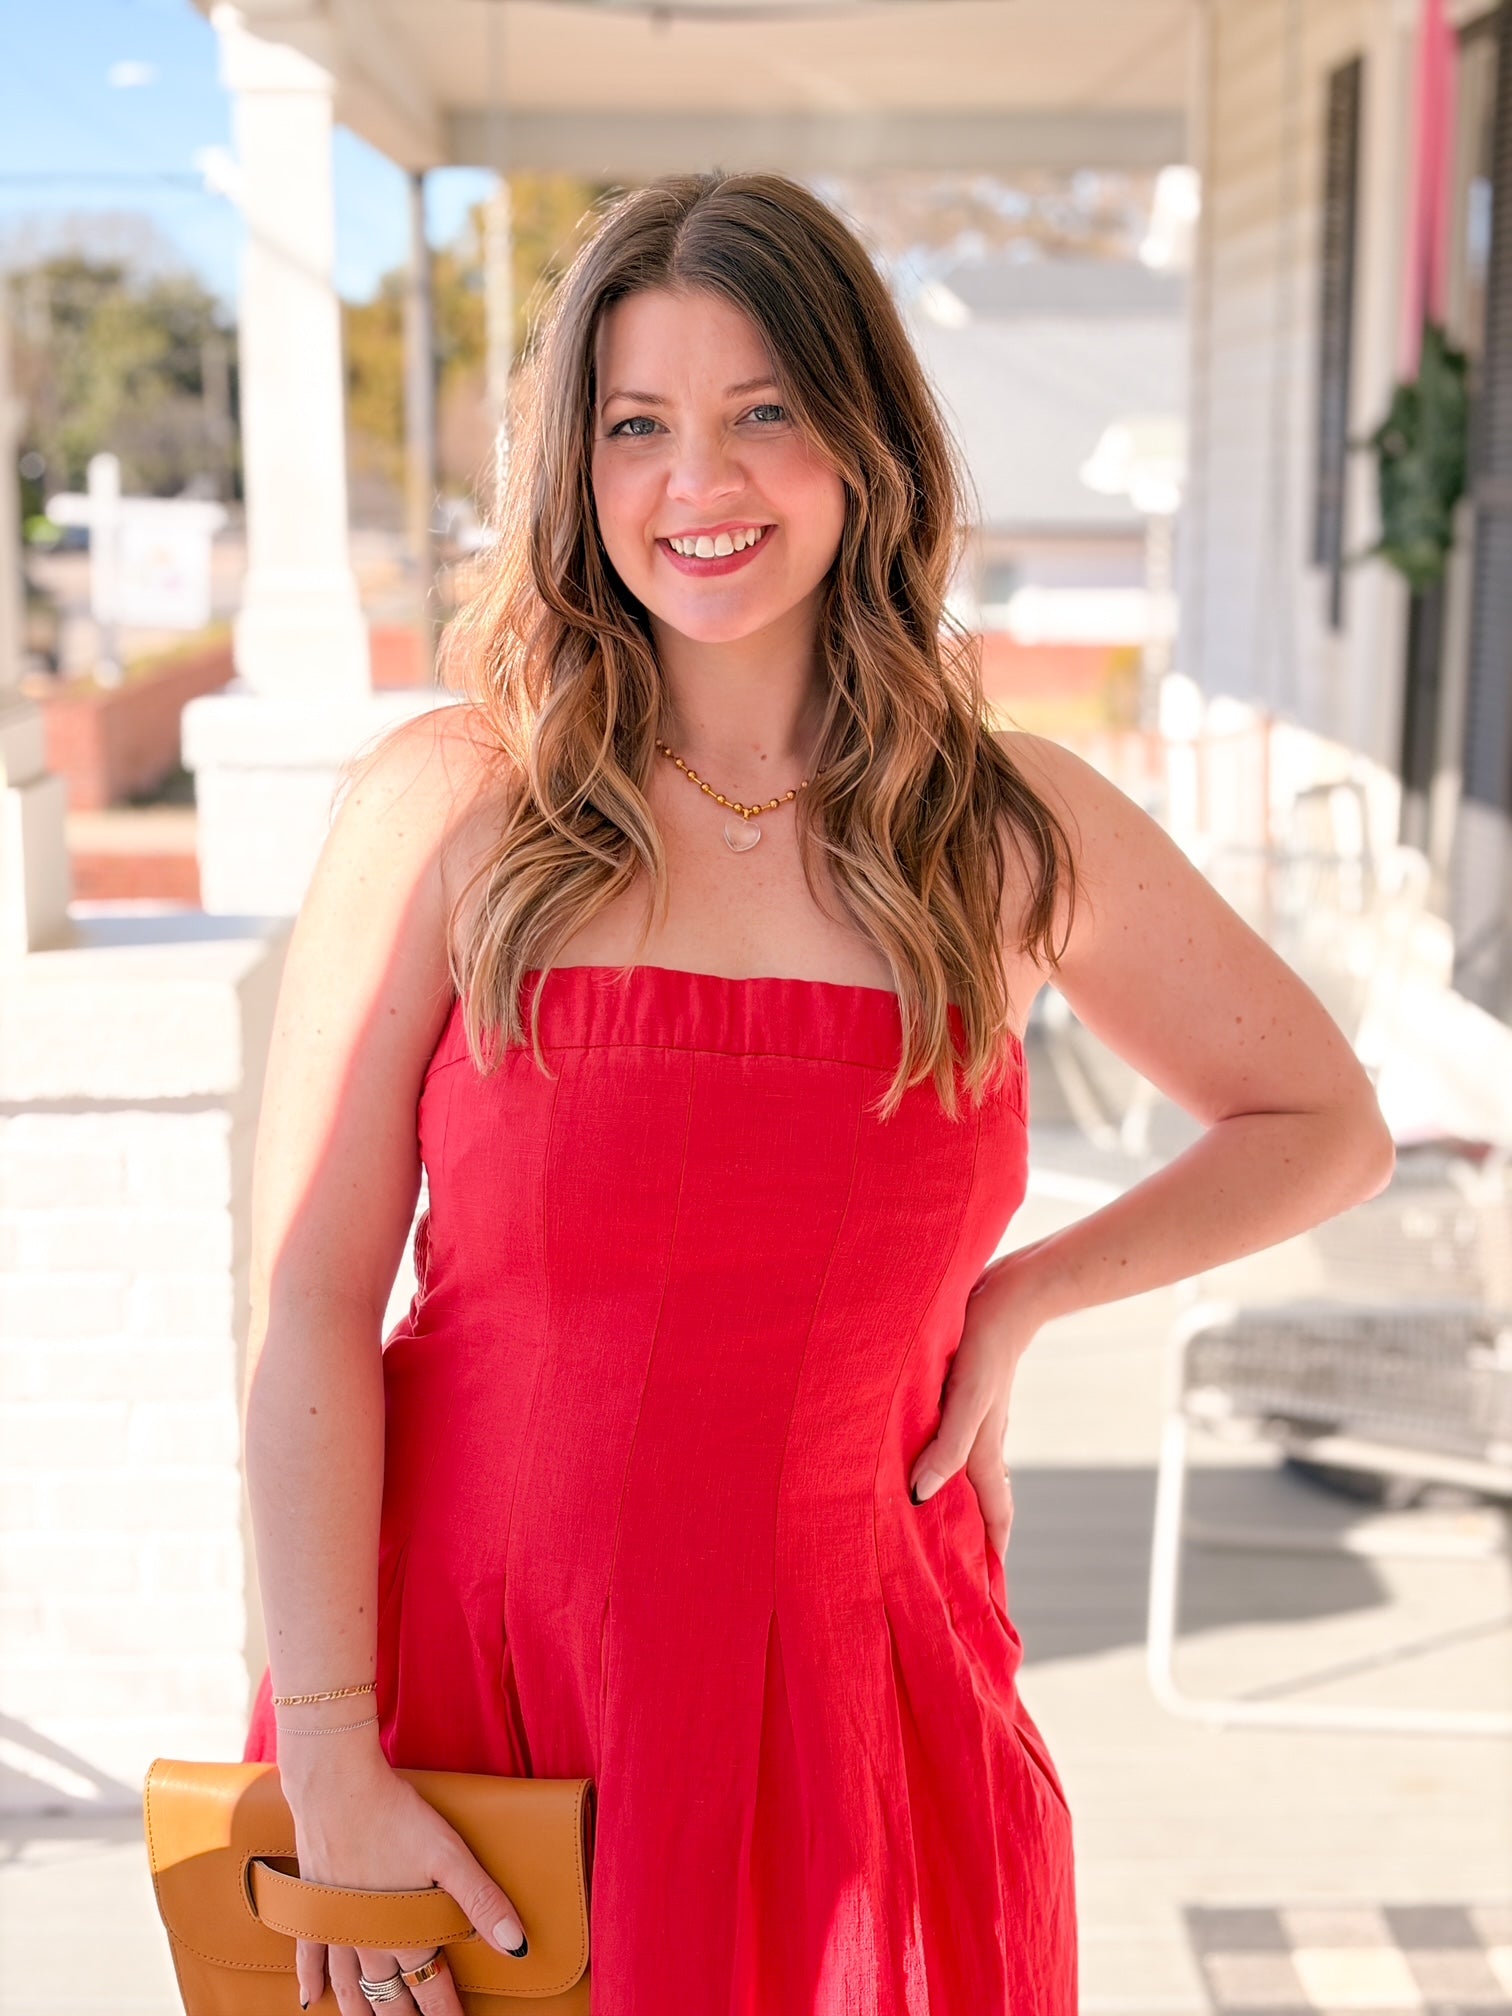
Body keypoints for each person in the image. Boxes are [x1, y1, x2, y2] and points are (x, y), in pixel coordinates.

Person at [239, 170, 1395, 2016]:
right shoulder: (454, 803)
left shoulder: (1002, 831)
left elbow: (1321, 1123)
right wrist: (327, 1754)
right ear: (576, 470)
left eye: (762, 412)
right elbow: (306, 1301)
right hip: (471, 1713)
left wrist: (1019, 1298)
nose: (697, 482)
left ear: (866, 444)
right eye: (637, 426)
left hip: (860, 1715)